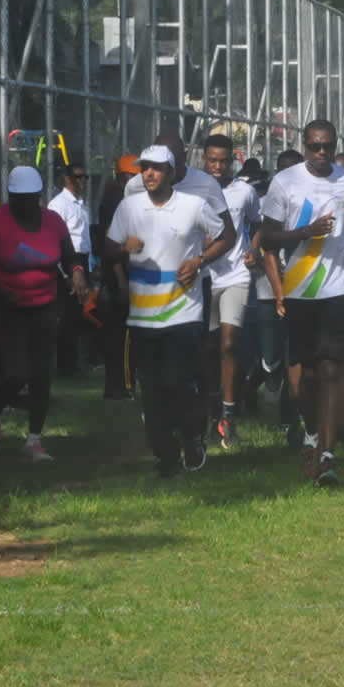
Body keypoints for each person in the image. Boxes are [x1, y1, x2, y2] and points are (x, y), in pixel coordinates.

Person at [105, 145, 235, 477]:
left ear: (172, 173)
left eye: (156, 168)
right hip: (143, 317)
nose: (148, 173)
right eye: (144, 167)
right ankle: (166, 457)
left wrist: (200, 260)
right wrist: (124, 248)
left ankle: (192, 437)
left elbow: (226, 236)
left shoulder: (193, 206)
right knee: (152, 390)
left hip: (183, 314)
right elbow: (107, 248)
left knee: (178, 384)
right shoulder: (129, 207)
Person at [260, 120, 344, 485]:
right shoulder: (285, 181)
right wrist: (305, 232)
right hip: (299, 287)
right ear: (304, 145)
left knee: (331, 367)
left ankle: (327, 453)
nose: (322, 153)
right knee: (306, 372)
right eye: (315, 147)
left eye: (327, 146)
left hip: (338, 287)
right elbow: (269, 238)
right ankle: (311, 434)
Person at [0, 166, 89, 462]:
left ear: (38, 196)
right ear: (11, 197)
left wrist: (76, 272)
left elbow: (70, 255)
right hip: (7, 308)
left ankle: (34, 440)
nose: (27, 205)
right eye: (20, 199)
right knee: (15, 373)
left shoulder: (53, 222)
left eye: (32, 198)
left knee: (41, 375)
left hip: (45, 305)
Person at [202, 134, 263, 450]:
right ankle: (208, 415)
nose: (217, 166)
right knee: (208, 348)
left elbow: (258, 223)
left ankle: (228, 416)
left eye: (223, 161)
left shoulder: (244, 192)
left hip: (235, 276)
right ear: (203, 159)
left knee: (228, 343)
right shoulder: (193, 189)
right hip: (201, 277)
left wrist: (254, 250)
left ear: (232, 161)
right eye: (212, 160)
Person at [254, 148, 305, 445]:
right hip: (266, 290)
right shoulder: (264, 202)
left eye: (292, 168)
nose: (286, 173)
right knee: (271, 354)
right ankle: (264, 383)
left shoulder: (308, 202)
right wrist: (259, 260)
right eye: (282, 167)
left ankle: (290, 415)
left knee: (293, 357)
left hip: (302, 290)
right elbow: (258, 240)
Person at [97, 153, 141, 400]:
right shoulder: (116, 200)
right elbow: (111, 246)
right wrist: (121, 281)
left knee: (119, 334)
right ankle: (122, 386)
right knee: (122, 336)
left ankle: (119, 385)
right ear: (123, 177)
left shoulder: (117, 198)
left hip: (122, 274)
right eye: (132, 178)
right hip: (119, 276)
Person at [48, 162, 92, 377]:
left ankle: (77, 361)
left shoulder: (82, 204)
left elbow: (85, 239)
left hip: (82, 262)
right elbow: (54, 241)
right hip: (67, 263)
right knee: (67, 316)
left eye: (85, 177)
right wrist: (66, 274)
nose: (82, 181)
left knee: (80, 313)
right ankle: (66, 366)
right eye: (78, 177)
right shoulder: (58, 205)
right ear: (67, 179)